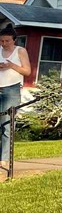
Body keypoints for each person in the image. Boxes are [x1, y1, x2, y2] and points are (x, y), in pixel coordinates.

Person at [0, 26, 31, 164]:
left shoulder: (20, 51)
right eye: (1, 41)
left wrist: (11, 65)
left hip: (11, 90)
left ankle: (4, 159)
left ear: (14, 40)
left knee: (7, 125)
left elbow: (27, 71)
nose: (4, 44)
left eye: (7, 41)